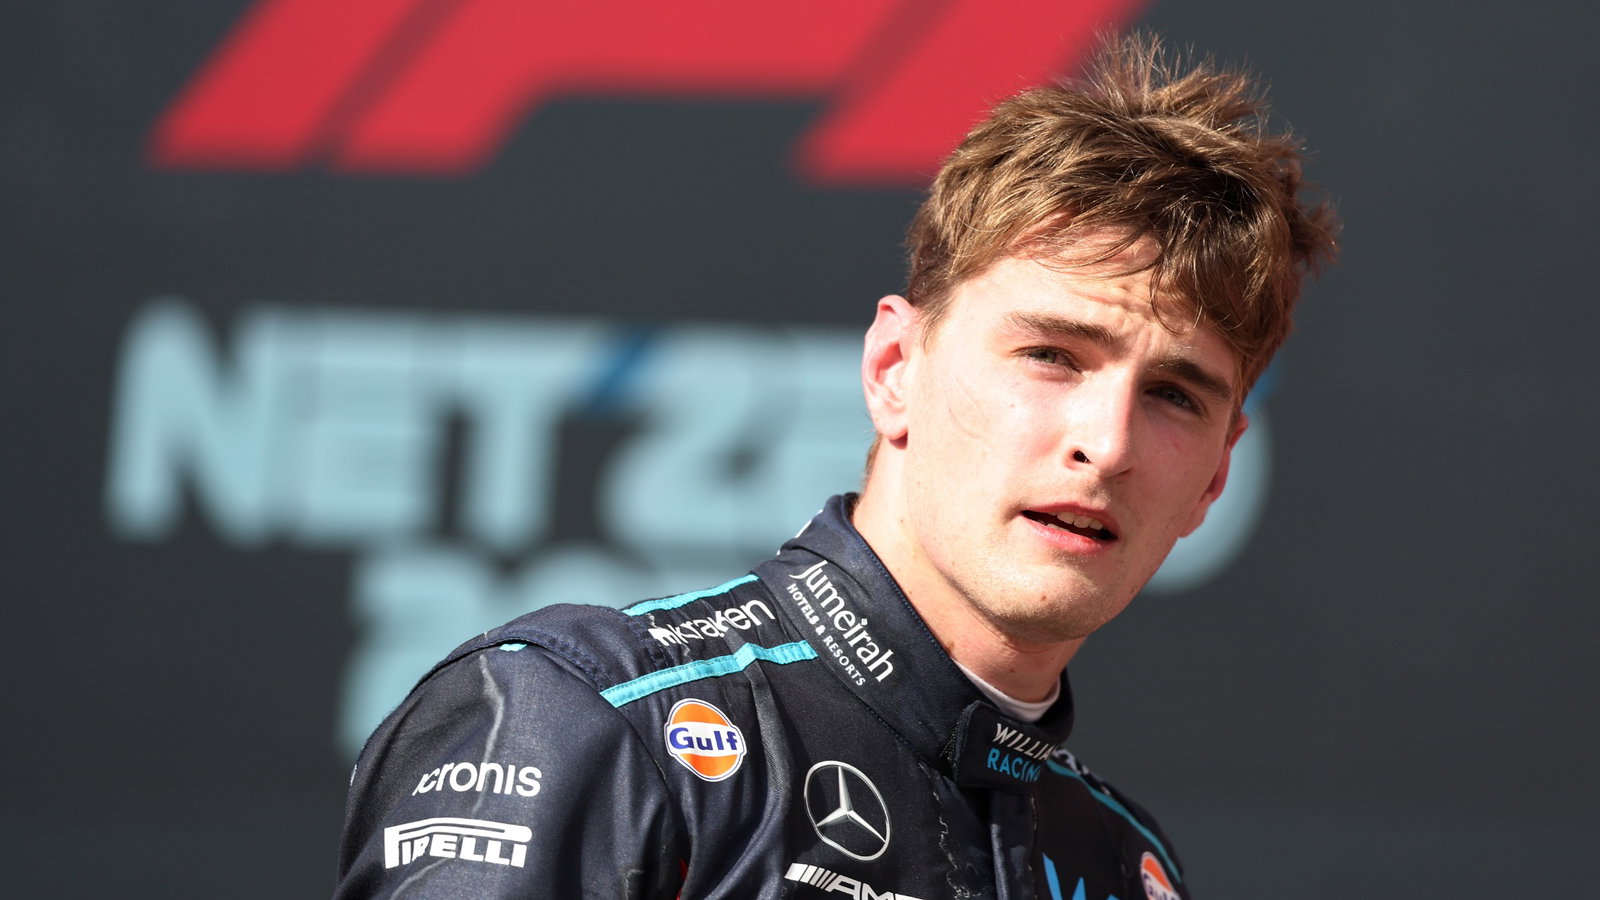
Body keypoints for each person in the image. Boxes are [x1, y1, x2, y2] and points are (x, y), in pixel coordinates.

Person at [333, 32, 1337, 900]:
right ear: (893, 369)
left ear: (1214, 477)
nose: (1105, 443)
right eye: (1050, 356)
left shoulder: (1125, 867)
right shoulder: (584, 721)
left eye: (1173, 395)